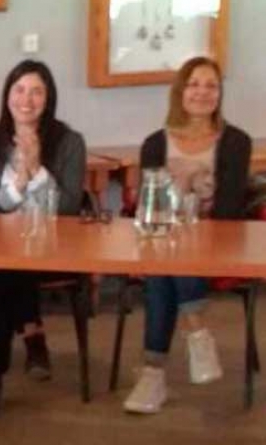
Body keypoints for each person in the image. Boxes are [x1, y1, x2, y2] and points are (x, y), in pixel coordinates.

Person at [123, 56, 251, 414]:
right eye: (194, 84)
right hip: (167, 242)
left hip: (216, 242)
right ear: (180, 91)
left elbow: (228, 210)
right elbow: (149, 209)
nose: (202, 93)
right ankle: (196, 332)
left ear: (220, 94)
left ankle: (152, 373)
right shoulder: (155, 143)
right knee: (164, 262)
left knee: (167, 263)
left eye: (211, 86)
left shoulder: (235, 141)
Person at [0, 60, 86, 422]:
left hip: (53, 246)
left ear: (48, 98)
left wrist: (36, 169)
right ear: (7, 96)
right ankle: (31, 332)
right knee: (9, 270)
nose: (27, 99)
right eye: (19, 90)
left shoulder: (69, 142)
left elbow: (67, 209)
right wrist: (17, 184)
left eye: (37, 91)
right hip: (2, 248)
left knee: (10, 274)